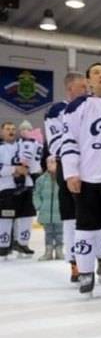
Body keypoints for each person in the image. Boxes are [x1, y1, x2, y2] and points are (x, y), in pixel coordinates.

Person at [60, 63, 101, 296]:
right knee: (86, 229)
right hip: (88, 178)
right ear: (88, 82)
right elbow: (68, 140)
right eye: (96, 73)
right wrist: (71, 172)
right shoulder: (79, 106)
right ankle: (86, 272)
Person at [44, 72, 88, 279]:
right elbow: (56, 144)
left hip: (92, 169)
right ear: (70, 89)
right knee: (71, 218)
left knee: (94, 217)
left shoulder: (92, 105)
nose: (86, 90)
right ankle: (75, 264)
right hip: (68, 167)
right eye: (82, 87)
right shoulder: (57, 110)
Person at [0, 122, 40, 258]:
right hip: (6, 189)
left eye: (13, 129)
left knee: (26, 216)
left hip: (26, 186)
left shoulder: (24, 145)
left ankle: (22, 243)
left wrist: (27, 168)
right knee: (6, 217)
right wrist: (14, 169)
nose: (11, 131)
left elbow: (35, 166)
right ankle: (3, 246)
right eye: (7, 129)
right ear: (1, 132)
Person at [33, 156, 64, 260]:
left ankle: (59, 251)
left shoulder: (63, 178)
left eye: (52, 162)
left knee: (60, 233)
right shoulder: (41, 179)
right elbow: (36, 194)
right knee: (48, 233)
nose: (49, 164)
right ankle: (48, 251)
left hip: (60, 212)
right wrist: (39, 206)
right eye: (48, 162)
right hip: (45, 212)